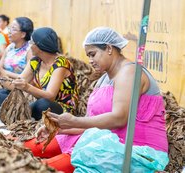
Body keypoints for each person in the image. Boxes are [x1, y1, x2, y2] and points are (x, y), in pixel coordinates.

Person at [29, 27, 169, 173]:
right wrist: (58, 128)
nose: (90, 61)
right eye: (88, 56)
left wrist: (73, 121)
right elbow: (92, 122)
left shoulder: (130, 73)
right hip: (102, 141)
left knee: (43, 168)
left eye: (93, 54)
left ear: (109, 48)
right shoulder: (103, 79)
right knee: (31, 148)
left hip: (133, 149)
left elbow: (119, 118)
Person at [0, 27, 78, 120]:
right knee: (0, 94)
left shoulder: (61, 64)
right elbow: (16, 85)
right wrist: (0, 76)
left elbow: (50, 96)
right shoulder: (35, 61)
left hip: (60, 108)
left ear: (40, 46)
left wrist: (27, 87)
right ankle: (21, 112)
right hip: (38, 102)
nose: (29, 46)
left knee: (43, 104)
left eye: (31, 43)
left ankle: (17, 112)